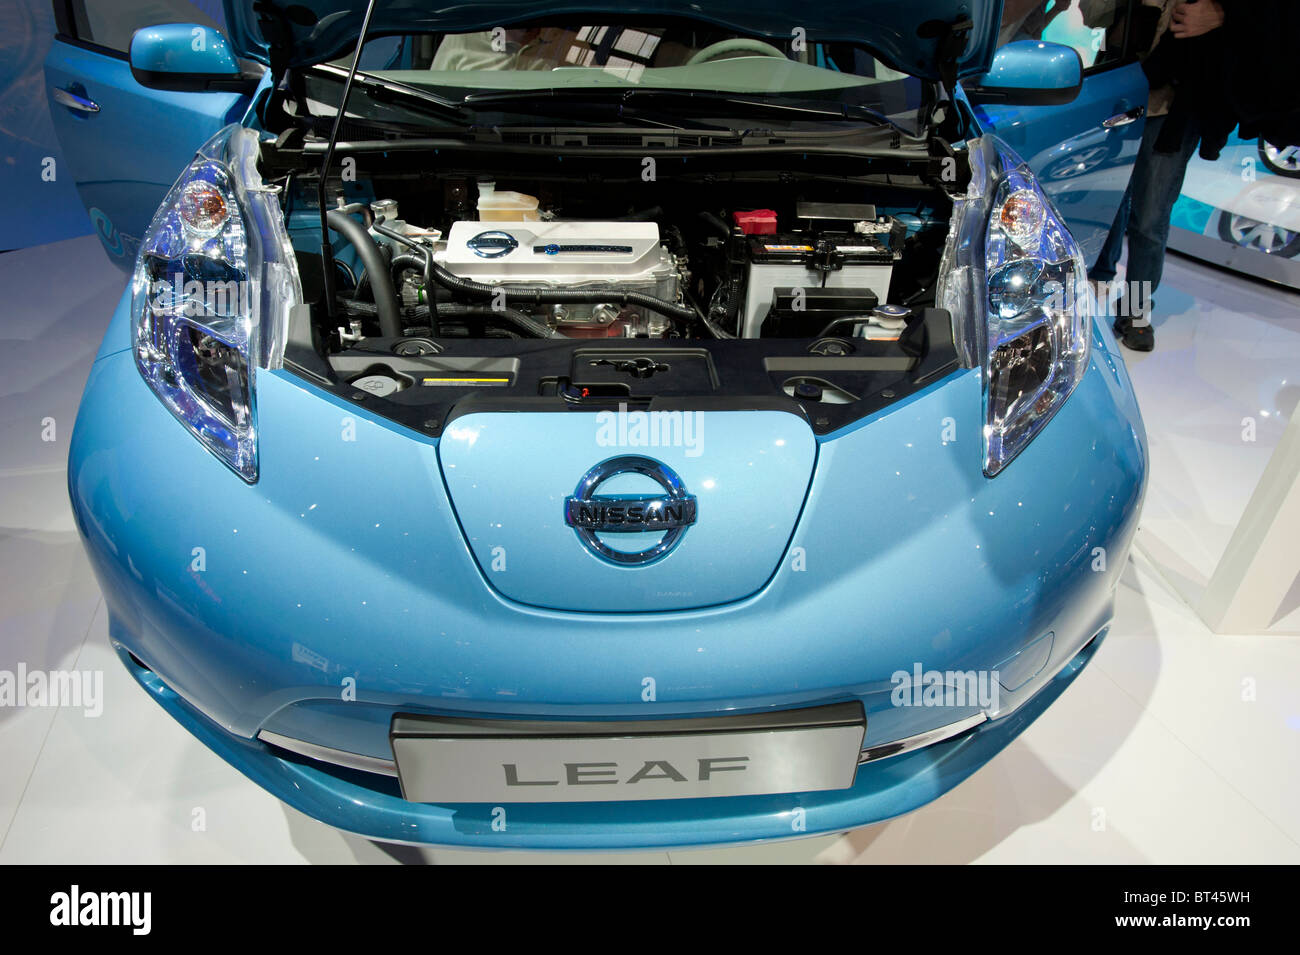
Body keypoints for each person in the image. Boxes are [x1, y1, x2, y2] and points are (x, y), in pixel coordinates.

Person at [1090, 0, 1226, 352]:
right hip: (1116, 90)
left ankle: (1135, 311)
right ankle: (1089, 290)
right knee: (1101, 204)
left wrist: (1222, 15)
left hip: (1175, 105)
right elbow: (1093, 15)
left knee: (1150, 217)